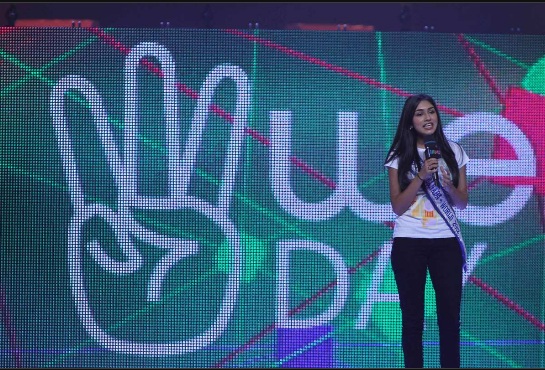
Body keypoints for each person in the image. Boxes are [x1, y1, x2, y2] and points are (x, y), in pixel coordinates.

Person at [384, 94, 469, 368]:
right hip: (409, 242)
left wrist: (446, 185)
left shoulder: (453, 151)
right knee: (412, 319)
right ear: (410, 121)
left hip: (445, 242)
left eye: (431, 112)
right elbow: (398, 206)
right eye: (420, 113)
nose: (428, 118)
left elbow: (462, 202)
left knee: (449, 318)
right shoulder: (399, 156)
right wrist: (421, 176)